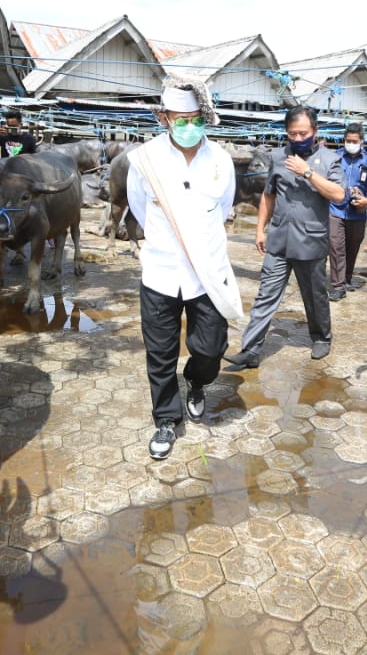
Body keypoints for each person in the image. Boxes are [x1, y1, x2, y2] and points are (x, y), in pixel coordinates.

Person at [126, 76, 238, 459]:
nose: (189, 126)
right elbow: (139, 209)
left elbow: (223, 209)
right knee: (160, 353)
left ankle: (196, 381)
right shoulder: (144, 161)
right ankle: (166, 420)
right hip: (160, 273)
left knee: (210, 349)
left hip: (207, 275)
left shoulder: (221, 161)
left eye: (196, 118)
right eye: (181, 119)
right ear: (164, 118)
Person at [224, 106, 346, 372]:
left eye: (303, 133)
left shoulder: (330, 159)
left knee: (315, 297)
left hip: (311, 242)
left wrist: (308, 173)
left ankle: (321, 337)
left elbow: (338, 195)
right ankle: (251, 350)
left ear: (315, 131)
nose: (298, 138)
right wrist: (260, 229)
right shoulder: (277, 157)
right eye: (293, 134)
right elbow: (269, 195)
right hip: (279, 240)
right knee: (266, 296)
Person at [327, 123, 367, 300]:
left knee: (353, 246)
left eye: (354, 141)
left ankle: (347, 278)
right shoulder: (335, 157)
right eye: (348, 140)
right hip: (335, 209)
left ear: (361, 141)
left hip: (358, 211)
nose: (351, 143)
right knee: (336, 248)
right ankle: (337, 286)